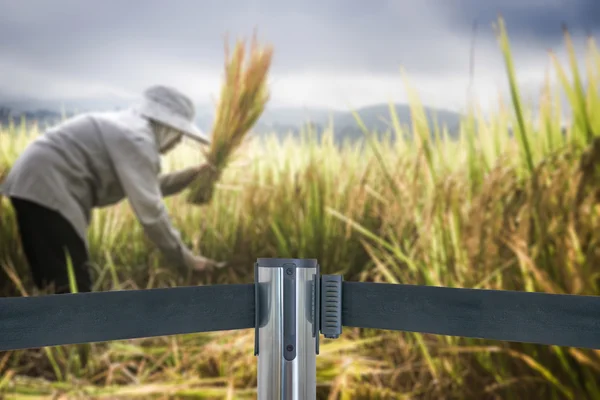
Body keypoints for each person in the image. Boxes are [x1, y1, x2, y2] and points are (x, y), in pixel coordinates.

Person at [0, 85, 224, 295]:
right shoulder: (137, 139)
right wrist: (186, 259)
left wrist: (192, 175)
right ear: (166, 126)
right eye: (179, 133)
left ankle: (55, 332)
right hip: (49, 187)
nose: (178, 142)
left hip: (31, 184)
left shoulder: (130, 129)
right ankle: (77, 335)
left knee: (53, 279)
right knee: (71, 283)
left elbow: (148, 187)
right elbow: (152, 212)